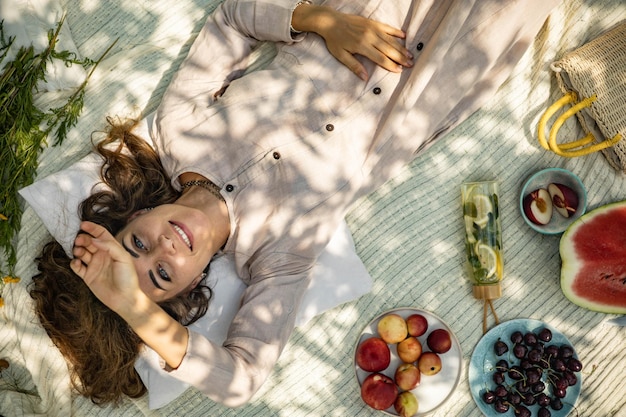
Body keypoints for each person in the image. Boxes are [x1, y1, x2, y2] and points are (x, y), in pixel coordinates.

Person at [30, 0, 558, 408]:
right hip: (446, 66)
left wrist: (318, 19)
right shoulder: (278, 258)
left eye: (138, 243)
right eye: (163, 273)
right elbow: (243, 381)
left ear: (132, 215)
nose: (165, 244)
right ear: (191, 289)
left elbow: (232, 19)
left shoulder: (178, 131)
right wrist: (135, 310)